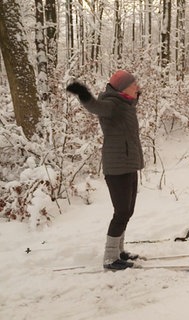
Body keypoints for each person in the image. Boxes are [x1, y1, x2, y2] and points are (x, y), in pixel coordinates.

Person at [66, 70, 144, 270]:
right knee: (121, 212)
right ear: (123, 88)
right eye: (133, 84)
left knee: (128, 211)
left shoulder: (125, 104)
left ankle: (119, 251)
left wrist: (135, 96)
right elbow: (95, 106)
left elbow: (129, 104)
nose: (137, 86)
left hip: (128, 164)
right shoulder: (112, 105)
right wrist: (83, 94)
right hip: (117, 167)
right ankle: (110, 258)